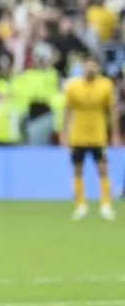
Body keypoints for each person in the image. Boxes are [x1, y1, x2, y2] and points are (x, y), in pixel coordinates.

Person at [61, 57, 119, 221]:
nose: (91, 69)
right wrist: (64, 133)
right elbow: (67, 111)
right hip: (78, 134)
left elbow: (112, 112)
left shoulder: (106, 85)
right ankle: (80, 205)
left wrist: (114, 133)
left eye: (94, 66)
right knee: (78, 169)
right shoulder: (73, 87)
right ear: (83, 67)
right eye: (88, 66)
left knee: (103, 168)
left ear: (98, 68)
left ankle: (106, 204)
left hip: (98, 134)